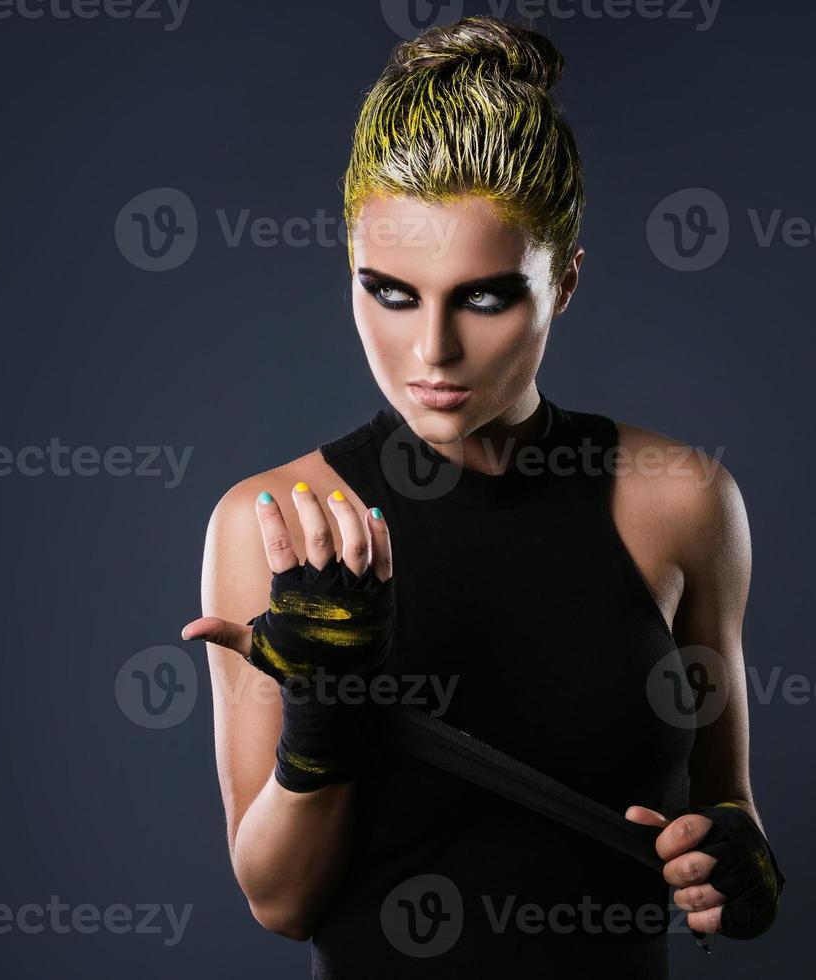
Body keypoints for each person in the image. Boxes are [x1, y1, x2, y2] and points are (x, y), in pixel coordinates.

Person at [180, 16, 783, 977]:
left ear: (567, 282)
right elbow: (281, 902)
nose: (432, 353)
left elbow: (727, 804)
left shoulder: (679, 501)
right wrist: (326, 716)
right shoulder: (279, 524)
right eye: (389, 292)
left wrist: (734, 864)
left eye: (485, 297)